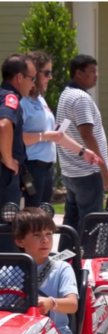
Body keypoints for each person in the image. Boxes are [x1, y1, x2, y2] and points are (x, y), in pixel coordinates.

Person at [21, 51, 104, 208]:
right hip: (30, 168)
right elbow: (14, 137)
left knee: (43, 218)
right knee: (30, 220)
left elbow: (56, 135)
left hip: (46, 169)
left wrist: (83, 152)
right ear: (34, 73)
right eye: (47, 73)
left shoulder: (39, 99)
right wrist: (45, 135)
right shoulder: (21, 101)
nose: (50, 77)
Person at [1, 207, 78, 334]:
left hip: (55, 333)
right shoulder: (7, 271)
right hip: (14, 332)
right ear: (20, 241)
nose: (45, 240)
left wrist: (51, 303)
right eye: (37, 235)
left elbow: (73, 305)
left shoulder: (61, 268)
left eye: (49, 234)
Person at [56, 54, 108, 237]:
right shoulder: (80, 99)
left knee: (71, 221)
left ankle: (67, 259)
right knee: (92, 223)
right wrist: (104, 169)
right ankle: (87, 262)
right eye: (92, 72)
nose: (96, 75)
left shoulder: (66, 94)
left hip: (71, 171)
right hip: (87, 172)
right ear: (78, 73)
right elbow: (87, 135)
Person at [0, 54, 36, 217]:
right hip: (6, 174)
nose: (33, 85)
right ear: (20, 77)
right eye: (32, 79)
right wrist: (8, 160)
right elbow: (4, 126)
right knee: (6, 229)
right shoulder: (10, 98)